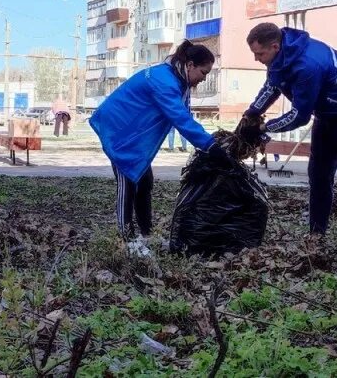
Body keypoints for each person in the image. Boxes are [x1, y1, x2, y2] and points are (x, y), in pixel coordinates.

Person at [240, 22, 337, 254]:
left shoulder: (306, 65)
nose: (256, 59)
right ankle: (316, 236)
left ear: (275, 46)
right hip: (328, 113)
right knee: (318, 175)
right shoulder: (279, 58)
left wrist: (262, 129)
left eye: (259, 54)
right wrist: (252, 113)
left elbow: (299, 116)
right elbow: (272, 85)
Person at [90, 40, 232, 257]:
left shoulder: (179, 80)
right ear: (191, 65)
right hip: (118, 130)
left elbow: (185, 115)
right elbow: (180, 119)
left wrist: (208, 144)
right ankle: (126, 241)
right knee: (127, 181)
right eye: (203, 73)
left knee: (145, 181)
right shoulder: (164, 81)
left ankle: (146, 235)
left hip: (132, 131)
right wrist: (211, 147)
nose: (203, 79)